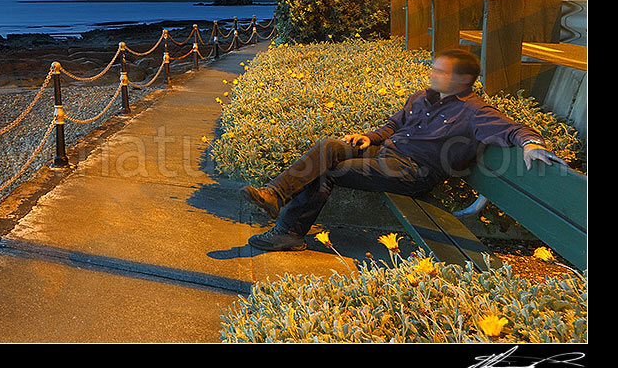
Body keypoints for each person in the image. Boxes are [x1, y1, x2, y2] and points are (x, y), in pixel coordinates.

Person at [239, 47, 572, 251]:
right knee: (330, 147)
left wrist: (530, 144)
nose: (432, 73)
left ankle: (287, 232)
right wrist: (369, 137)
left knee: (328, 169)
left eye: (440, 71)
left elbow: (512, 129)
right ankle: (275, 196)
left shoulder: (474, 112)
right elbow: (393, 126)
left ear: (462, 80)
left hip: (412, 173)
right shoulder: (420, 98)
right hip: (385, 156)